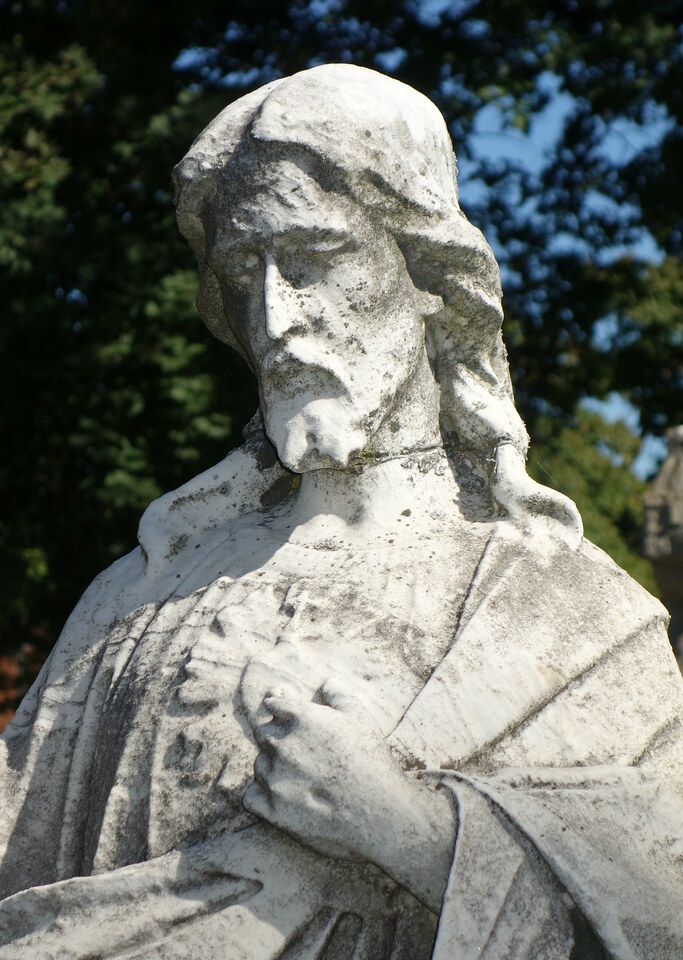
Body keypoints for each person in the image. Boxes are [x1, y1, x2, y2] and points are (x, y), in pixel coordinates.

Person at [0, 65, 681, 959]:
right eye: (245, 271)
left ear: (429, 278)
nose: (275, 317)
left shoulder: (568, 617)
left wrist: (411, 834)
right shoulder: (134, 597)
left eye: (316, 259)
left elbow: (660, 907)